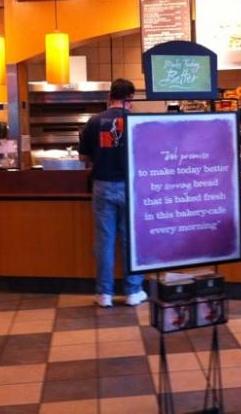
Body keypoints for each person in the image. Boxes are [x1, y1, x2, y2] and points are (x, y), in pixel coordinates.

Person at [78, 79, 146, 308]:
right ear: (130, 98)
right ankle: (133, 292)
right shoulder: (137, 121)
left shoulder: (94, 121)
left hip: (103, 185)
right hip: (131, 187)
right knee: (130, 239)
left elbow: (83, 157)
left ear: (110, 96)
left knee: (104, 240)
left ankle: (104, 294)